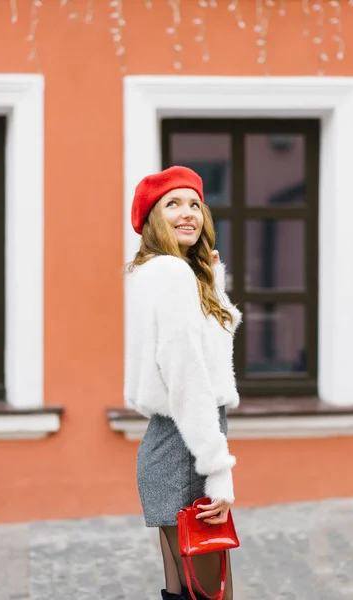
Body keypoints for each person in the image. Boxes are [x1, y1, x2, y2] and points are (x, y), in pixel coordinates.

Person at [124, 165, 242, 600]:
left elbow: (199, 349)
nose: (188, 212)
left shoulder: (159, 273)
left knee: (185, 591)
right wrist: (218, 469)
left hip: (169, 443)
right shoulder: (172, 275)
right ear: (153, 218)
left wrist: (211, 282)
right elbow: (188, 378)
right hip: (186, 447)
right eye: (172, 204)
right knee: (212, 596)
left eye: (195, 204)